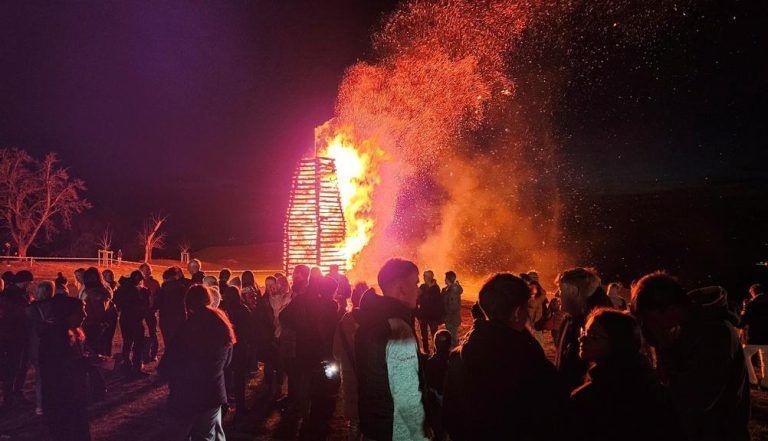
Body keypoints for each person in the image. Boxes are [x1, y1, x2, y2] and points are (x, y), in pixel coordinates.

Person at [443, 273, 566, 441]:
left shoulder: (458, 357)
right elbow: (552, 419)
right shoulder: (530, 363)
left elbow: (451, 419)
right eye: (526, 308)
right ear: (517, 312)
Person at [632, 272, 749, 441]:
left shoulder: (716, 334)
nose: (649, 326)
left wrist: (664, 346)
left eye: (650, 319)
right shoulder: (688, 327)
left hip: (719, 432)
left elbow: (694, 399)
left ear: (671, 309)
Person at [569, 308, 683, 441]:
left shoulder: (591, 397)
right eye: (585, 331)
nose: (581, 338)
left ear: (617, 343)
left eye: (593, 336)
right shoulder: (652, 384)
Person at [355, 258, 429, 441]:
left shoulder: (371, 320)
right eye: (416, 283)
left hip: (375, 425)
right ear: (401, 289)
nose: (419, 290)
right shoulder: (397, 328)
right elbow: (407, 394)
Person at [158, 285, 234, 441]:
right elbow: (227, 360)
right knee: (211, 434)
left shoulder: (187, 328)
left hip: (189, 395)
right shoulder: (222, 324)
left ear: (188, 304)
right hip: (214, 392)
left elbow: (167, 365)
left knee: (191, 434)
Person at [280, 275, 340, 439]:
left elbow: (284, 317)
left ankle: (307, 417)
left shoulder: (303, 301)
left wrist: (299, 329)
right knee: (324, 387)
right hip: (322, 353)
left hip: (306, 351)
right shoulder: (329, 305)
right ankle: (316, 421)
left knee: (307, 384)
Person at [38, 295, 91, 441]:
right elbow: (58, 369)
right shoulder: (54, 337)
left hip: (73, 397)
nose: (85, 315)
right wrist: (85, 363)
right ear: (66, 314)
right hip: (61, 400)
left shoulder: (73, 332)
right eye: (80, 312)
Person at [554, 267, 612, 391]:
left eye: (560, 289)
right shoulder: (570, 319)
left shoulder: (599, 326)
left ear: (574, 291)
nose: (556, 294)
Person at [333, 284, 369, 441]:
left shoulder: (344, 322)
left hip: (350, 374)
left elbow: (336, 353)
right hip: (372, 374)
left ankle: (354, 433)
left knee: (354, 420)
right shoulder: (376, 321)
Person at [0, 269, 32, 408]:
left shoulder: (19, 294)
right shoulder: (12, 296)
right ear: (24, 282)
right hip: (14, 336)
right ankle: (10, 395)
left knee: (18, 366)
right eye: (28, 282)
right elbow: (14, 315)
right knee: (14, 366)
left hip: (17, 335)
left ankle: (14, 393)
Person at [221, 286, 255, 416]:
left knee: (226, 375)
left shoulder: (224, 311)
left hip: (227, 347)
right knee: (240, 377)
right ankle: (240, 406)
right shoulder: (243, 310)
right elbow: (249, 328)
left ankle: (225, 403)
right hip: (240, 347)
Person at [26, 280, 56, 416]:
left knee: (40, 376)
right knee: (52, 375)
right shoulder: (55, 306)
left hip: (37, 345)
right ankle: (51, 403)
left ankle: (40, 405)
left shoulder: (32, 308)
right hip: (52, 345)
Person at [113, 271, 150, 376]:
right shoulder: (132, 289)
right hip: (133, 319)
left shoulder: (123, 288)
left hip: (126, 318)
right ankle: (135, 367)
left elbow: (117, 302)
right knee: (137, 343)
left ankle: (127, 365)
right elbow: (138, 304)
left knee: (128, 343)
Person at [81, 267, 116, 357]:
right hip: (99, 323)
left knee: (96, 350)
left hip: (94, 324)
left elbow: (99, 311)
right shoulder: (103, 290)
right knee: (103, 347)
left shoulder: (94, 293)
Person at [424, 329, 451, 441]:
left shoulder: (429, 363)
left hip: (435, 404)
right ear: (450, 345)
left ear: (435, 344)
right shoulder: (454, 361)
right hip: (450, 403)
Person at [742, 283, 768, 388]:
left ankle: (752, 380)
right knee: (766, 359)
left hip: (755, 336)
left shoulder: (753, 303)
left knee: (744, 354)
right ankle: (766, 383)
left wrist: (741, 320)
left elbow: (744, 319)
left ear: (753, 291)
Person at [157, 267, 188, 346]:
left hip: (166, 319)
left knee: (168, 343)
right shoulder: (182, 288)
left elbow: (157, 304)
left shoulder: (163, 290)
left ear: (165, 278)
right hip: (180, 318)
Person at [416, 270, 443, 354]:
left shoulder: (435, 288)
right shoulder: (422, 286)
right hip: (423, 315)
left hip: (432, 316)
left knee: (434, 335)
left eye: (425, 276)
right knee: (424, 335)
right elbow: (418, 298)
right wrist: (418, 313)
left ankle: (436, 352)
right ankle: (426, 351)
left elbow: (432, 300)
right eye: (424, 276)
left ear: (430, 277)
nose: (423, 277)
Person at [139, 263, 161, 362]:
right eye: (146, 269)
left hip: (151, 311)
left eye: (149, 269)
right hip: (140, 312)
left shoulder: (155, 283)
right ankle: (144, 354)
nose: (148, 271)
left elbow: (158, 297)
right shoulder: (138, 282)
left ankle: (153, 354)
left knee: (152, 333)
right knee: (141, 334)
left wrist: (155, 307)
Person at [442, 271, 463, 347]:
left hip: (452, 319)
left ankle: (455, 354)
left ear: (449, 279)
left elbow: (452, 307)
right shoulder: (448, 289)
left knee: (453, 338)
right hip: (451, 318)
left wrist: (446, 314)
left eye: (445, 278)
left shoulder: (453, 291)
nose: (444, 280)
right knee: (452, 337)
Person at [528, 275, 549, 346]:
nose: (534, 281)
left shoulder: (541, 295)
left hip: (537, 327)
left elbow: (544, 311)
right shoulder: (526, 295)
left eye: (536, 279)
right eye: (533, 279)